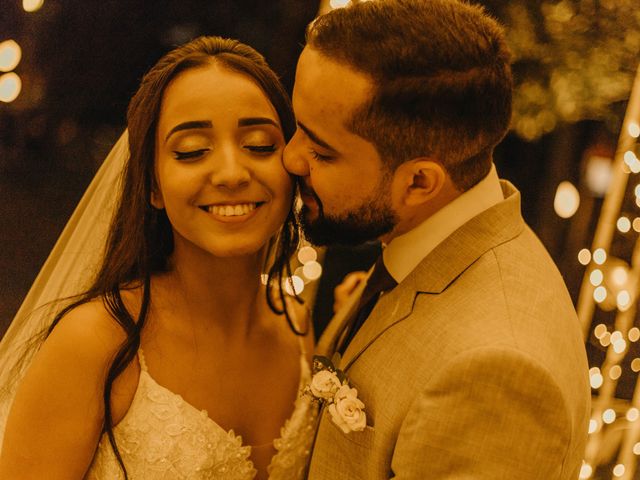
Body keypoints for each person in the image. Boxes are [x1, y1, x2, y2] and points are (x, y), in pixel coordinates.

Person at [283, 0, 590, 478]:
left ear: (420, 183)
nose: (290, 158)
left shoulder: (498, 373)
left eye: (321, 152)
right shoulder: (424, 246)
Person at [0, 36, 317, 479]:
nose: (231, 173)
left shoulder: (297, 326)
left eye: (260, 145)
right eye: (191, 151)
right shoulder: (97, 343)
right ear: (152, 187)